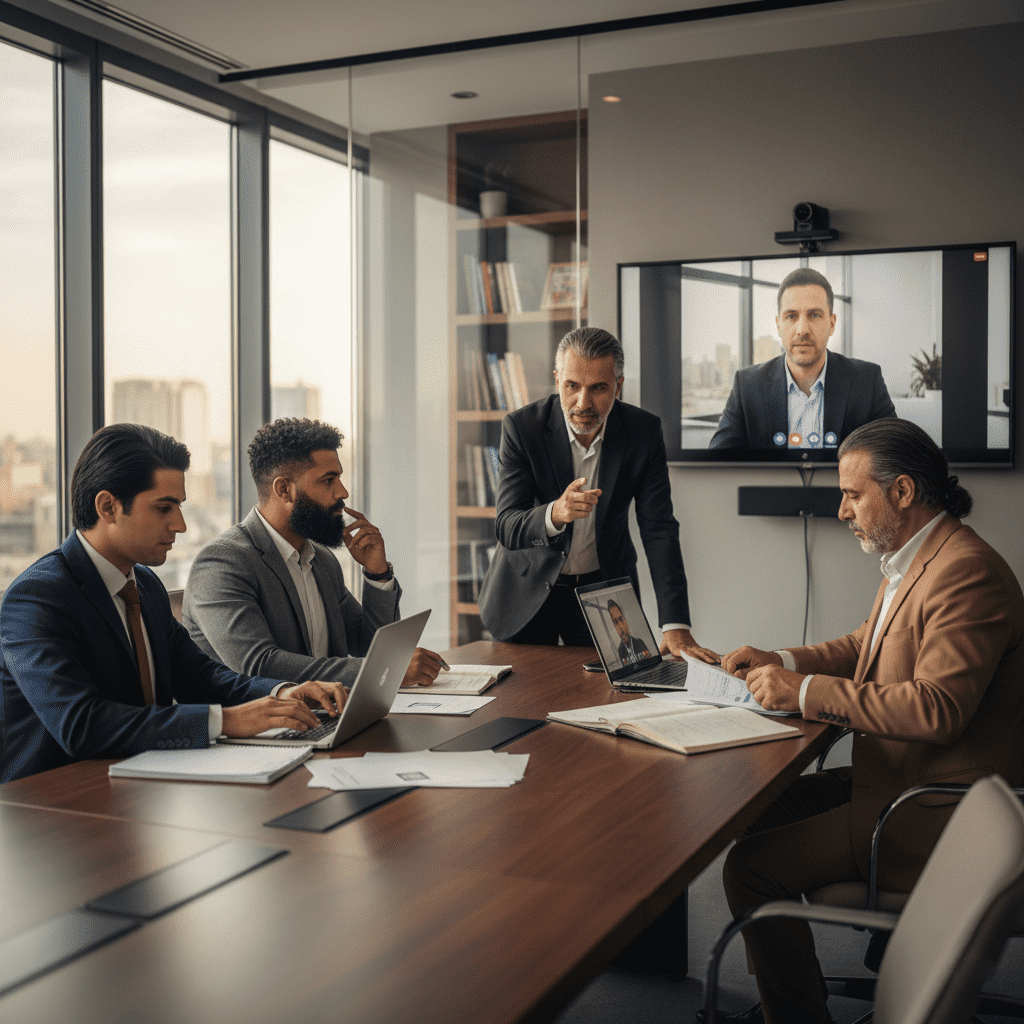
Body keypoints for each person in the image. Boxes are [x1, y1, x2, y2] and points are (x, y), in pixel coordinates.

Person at [699, 418, 1024, 1024]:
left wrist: (803, 692)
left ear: (901, 491)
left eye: (852, 494)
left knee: (749, 868)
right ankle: (793, 988)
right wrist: (783, 661)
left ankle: (795, 1015)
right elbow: (866, 645)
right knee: (764, 805)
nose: (841, 509)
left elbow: (936, 707)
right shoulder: (922, 556)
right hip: (900, 780)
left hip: (932, 811)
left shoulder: (965, 572)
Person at [0, 423, 348, 784]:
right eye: (164, 508)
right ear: (107, 507)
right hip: (52, 804)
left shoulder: (145, 585)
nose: (180, 525)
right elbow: (81, 724)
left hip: (141, 785)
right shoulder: (36, 598)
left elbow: (199, 676)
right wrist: (228, 721)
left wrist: (282, 692)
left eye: (179, 506)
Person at [478, 326, 717, 662]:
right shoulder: (522, 428)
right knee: (520, 703)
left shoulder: (642, 432)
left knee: (611, 701)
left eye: (598, 388)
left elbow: (658, 528)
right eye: (571, 386)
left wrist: (674, 624)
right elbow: (506, 525)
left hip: (603, 592)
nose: (583, 402)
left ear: (618, 386)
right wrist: (555, 514)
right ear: (557, 378)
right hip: (527, 593)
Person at [184, 417, 442, 688]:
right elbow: (260, 665)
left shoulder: (321, 560)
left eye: (339, 478)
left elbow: (369, 648)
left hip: (326, 717)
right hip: (255, 727)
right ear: (284, 490)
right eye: (328, 480)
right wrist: (386, 669)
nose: (342, 492)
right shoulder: (222, 563)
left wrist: (378, 574)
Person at [708, 267, 895, 450]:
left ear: (831, 323)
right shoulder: (747, 385)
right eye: (791, 316)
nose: (802, 329)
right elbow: (716, 466)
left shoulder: (867, 381)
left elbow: (897, 456)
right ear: (778, 325)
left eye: (814, 315)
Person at [608, 599, 650, 666]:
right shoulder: (620, 650)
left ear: (625, 621)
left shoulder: (639, 642)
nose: (621, 627)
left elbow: (650, 662)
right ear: (614, 626)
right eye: (616, 622)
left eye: (621, 619)